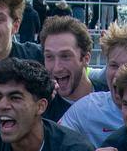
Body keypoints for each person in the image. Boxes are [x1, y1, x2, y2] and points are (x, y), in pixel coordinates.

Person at [40, 15, 120, 144]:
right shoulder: (42, 111)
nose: (56, 68)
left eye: (65, 56)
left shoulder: (113, 95)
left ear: (86, 58)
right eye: (49, 57)